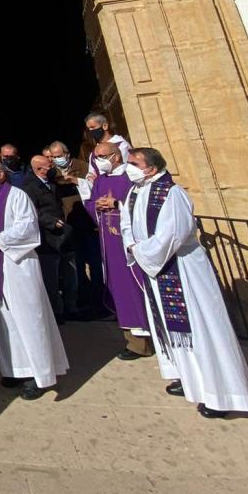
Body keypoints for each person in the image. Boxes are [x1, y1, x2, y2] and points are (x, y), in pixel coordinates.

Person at [122, 148, 248, 418]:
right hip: (156, 269)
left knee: (200, 328)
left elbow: (173, 235)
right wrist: (132, 245)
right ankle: (187, 378)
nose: (130, 168)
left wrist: (140, 250)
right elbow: (127, 224)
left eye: (134, 163)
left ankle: (220, 394)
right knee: (170, 329)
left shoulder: (173, 194)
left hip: (182, 270)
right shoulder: (134, 192)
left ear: (150, 168)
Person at [0, 161, 69, 399]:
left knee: (28, 319)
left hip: (15, 265)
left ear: (1, 174)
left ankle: (38, 374)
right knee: (1, 319)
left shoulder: (17, 195)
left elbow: (28, 228)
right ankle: (13, 368)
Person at [83, 141, 152, 359]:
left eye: (103, 156)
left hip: (130, 244)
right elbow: (90, 202)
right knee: (120, 288)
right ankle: (133, 340)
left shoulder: (132, 177)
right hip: (109, 243)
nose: (99, 161)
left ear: (116, 156)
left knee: (135, 288)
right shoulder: (101, 180)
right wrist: (96, 205)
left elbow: (144, 202)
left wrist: (117, 204)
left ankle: (144, 341)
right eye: (96, 157)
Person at [49, 140, 101, 318]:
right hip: (68, 225)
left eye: (59, 156)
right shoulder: (52, 172)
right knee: (75, 265)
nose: (57, 159)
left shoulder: (83, 166)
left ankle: (99, 300)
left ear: (67, 154)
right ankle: (82, 299)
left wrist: (77, 181)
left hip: (87, 222)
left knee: (95, 263)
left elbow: (96, 187)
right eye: (54, 157)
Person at [19, 154, 71, 323]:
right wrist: (51, 222)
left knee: (68, 272)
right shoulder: (29, 187)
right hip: (47, 238)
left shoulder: (52, 183)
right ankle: (54, 313)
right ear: (39, 169)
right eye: (49, 165)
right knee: (51, 278)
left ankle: (70, 307)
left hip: (63, 235)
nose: (52, 167)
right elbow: (32, 211)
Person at [84, 112, 130, 180]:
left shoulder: (121, 145)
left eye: (93, 127)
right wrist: (90, 177)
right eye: (89, 129)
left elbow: (127, 167)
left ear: (105, 126)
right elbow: (92, 172)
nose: (91, 131)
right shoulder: (94, 153)